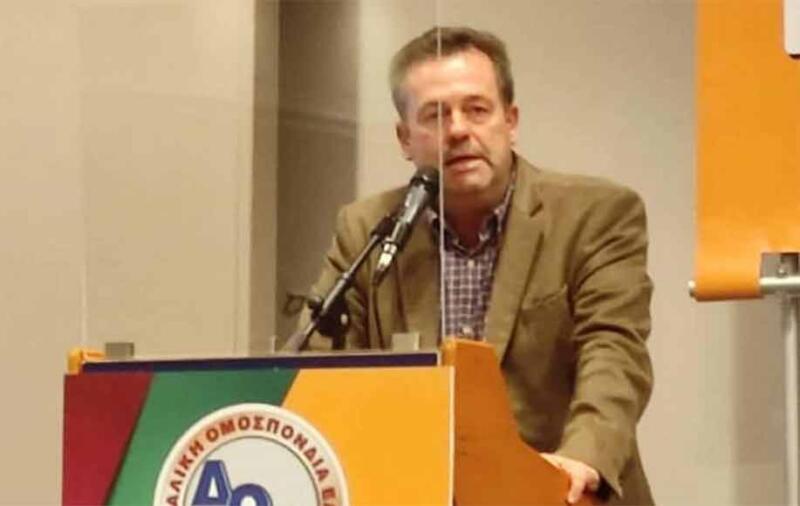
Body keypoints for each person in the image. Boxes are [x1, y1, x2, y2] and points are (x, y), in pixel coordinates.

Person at [303, 26, 654, 505]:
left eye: (477, 109)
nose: (458, 130)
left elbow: (614, 351)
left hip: (560, 493)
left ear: (511, 121)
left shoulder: (594, 214)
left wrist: (582, 457)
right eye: (435, 115)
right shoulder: (367, 229)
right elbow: (322, 369)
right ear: (405, 139)